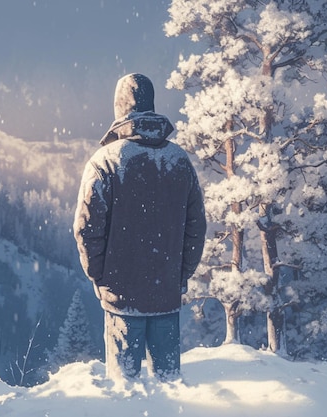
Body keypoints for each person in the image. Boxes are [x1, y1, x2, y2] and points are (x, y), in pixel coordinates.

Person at [73, 73, 206, 381]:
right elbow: (196, 227)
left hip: (121, 296)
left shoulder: (105, 161)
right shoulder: (178, 160)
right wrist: (179, 274)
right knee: (170, 388)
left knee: (125, 393)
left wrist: (99, 275)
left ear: (120, 108)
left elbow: (87, 229)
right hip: (166, 294)